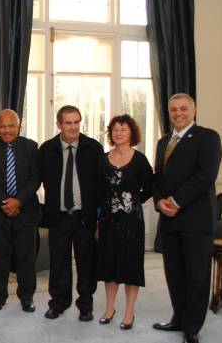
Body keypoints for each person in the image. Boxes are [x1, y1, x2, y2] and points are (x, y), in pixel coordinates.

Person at [151, 93, 221, 343]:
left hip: (197, 221)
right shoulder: (163, 141)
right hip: (170, 220)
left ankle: (191, 328)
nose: (177, 113)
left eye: (183, 109)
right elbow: (158, 177)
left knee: (196, 277)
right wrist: (159, 201)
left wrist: (176, 202)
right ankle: (178, 319)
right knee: (175, 274)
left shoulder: (208, 137)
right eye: (173, 110)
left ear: (194, 111)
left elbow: (205, 176)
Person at [38, 105, 102, 321]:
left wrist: (100, 218)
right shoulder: (46, 150)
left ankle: (85, 305)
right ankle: (58, 303)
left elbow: (102, 186)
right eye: (68, 123)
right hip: (58, 217)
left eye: (76, 122)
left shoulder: (93, 148)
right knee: (59, 263)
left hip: (85, 217)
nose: (73, 127)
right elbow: (34, 180)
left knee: (86, 263)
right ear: (59, 125)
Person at [94, 114, 153, 330]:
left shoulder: (140, 160)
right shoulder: (102, 159)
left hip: (131, 223)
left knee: (130, 267)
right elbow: (98, 192)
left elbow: (149, 188)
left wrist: (133, 201)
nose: (118, 133)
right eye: (115, 129)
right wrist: (98, 221)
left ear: (132, 133)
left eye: (123, 129)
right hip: (108, 222)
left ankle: (129, 312)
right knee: (109, 266)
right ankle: (109, 309)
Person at [0, 109, 41, 313]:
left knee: (26, 258)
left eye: (11, 126)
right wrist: (6, 203)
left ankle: (27, 297)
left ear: (19, 126)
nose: (7, 130)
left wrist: (18, 202)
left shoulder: (31, 147)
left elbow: (35, 178)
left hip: (26, 212)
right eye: (3, 126)